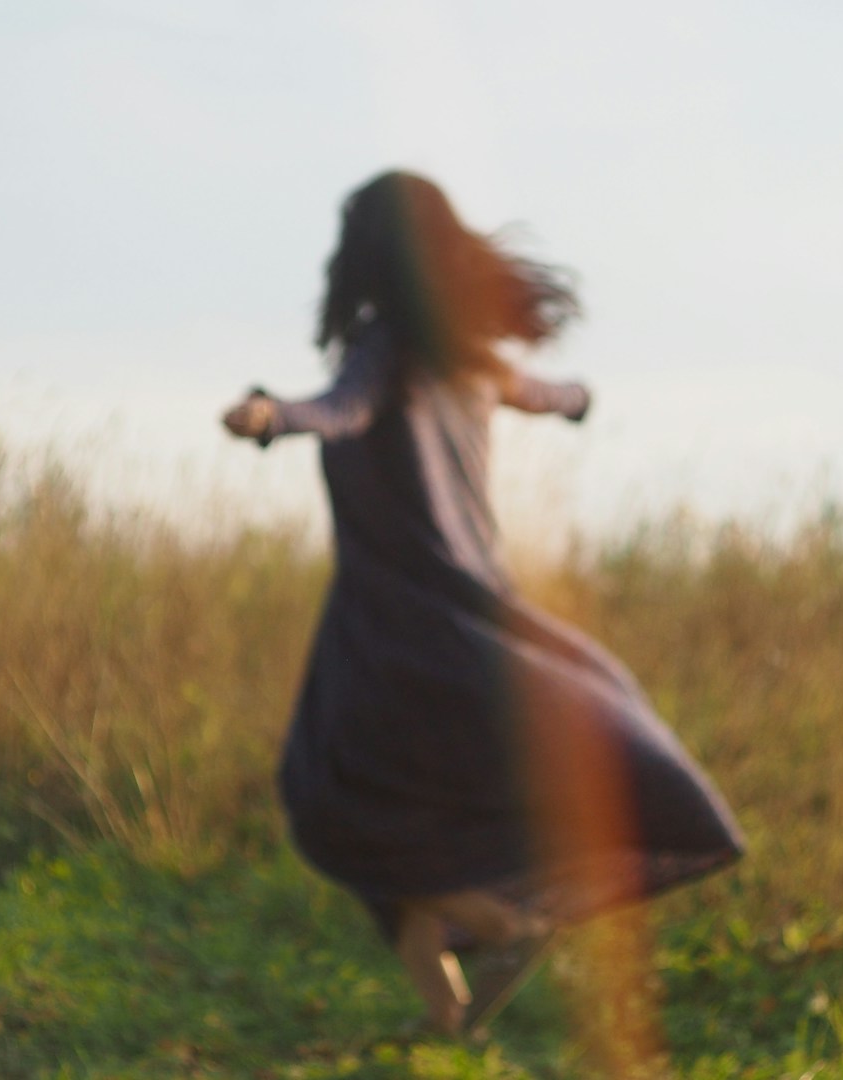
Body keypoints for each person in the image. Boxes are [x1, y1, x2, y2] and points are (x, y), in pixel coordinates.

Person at [222, 170, 743, 1036]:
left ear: (365, 258)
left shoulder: (385, 348)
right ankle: (448, 1015)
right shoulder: (471, 358)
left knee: (330, 796)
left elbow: (341, 409)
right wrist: (577, 399)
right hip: (470, 615)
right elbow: (549, 395)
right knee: (402, 805)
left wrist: (273, 414)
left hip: (400, 626)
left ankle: (504, 924)